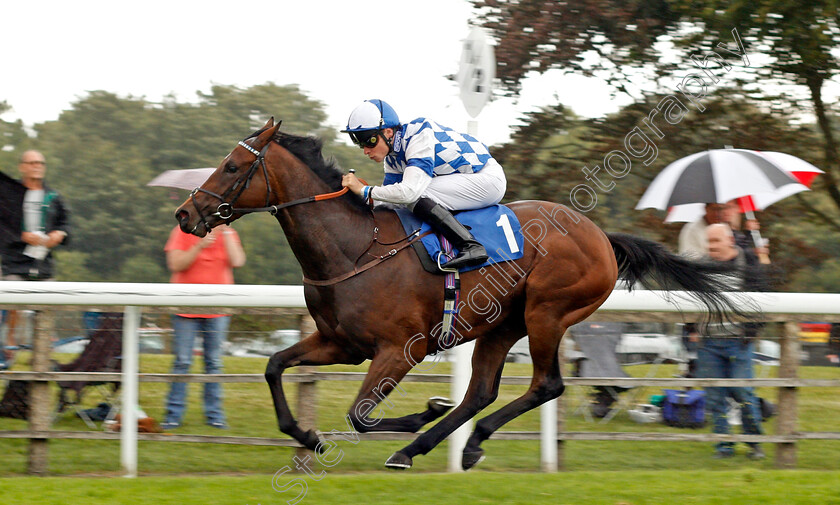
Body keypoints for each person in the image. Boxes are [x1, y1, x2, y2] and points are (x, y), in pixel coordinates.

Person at [340, 99, 507, 270]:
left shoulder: (418, 135)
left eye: (370, 141)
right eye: (360, 144)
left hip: (487, 179)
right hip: (469, 180)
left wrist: (364, 190)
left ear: (388, 132)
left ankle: (470, 246)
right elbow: (391, 198)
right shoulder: (393, 157)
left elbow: (408, 193)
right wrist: (361, 199)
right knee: (402, 197)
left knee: (415, 193)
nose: (366, 150)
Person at [161, 224, 246, 430]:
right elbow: (175, 264)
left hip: (218, 309)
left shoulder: (230, 233)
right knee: (182, 362)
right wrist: (200, 245)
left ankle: (215, 416)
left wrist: (225, 233)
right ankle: (173, 415)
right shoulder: (181, 231)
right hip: (185, 308)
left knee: (214, 362)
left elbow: (238, 261)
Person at [694, 223, 765, 460]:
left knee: (743, 393)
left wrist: (751, 332)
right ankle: (723, 446)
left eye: (716, 241)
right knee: (715, 397)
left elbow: (763, 298)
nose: (711, 247)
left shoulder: (749, 263)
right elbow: (690, 298)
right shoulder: (702, 266)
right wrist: (691, 328)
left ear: (730, 240)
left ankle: (754, 443)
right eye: (709, 242)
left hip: (738, 341)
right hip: (709, 342)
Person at [0, 150, 71, 368]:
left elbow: (66, 224)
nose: (36, 166)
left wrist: (59, 234)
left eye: (40, 162)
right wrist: (22, 236)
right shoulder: (9, 196)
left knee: (48, 306)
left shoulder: (54, 197)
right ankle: (8, 346)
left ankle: (41, 354)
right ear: (22, 166)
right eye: (31, 163)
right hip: (15, 264)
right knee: (13, 301)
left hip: (43, 267)